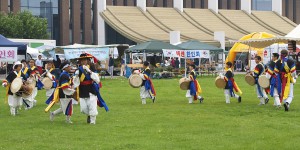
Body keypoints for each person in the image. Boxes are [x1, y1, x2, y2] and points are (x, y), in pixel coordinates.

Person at [73, 53, 108, 124]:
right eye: (82, 60)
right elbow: (76, 83)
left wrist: (89, 71)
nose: (83, 62)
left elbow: (97, 79)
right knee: (83, 109)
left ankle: (92, 121)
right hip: (82, 90)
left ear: (87, 60)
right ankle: (89, 115)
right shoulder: (79, 70)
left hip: (91, 89)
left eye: (84, 60)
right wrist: (76, 77)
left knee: (92, 106)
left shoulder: (92, 67)